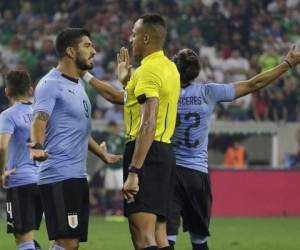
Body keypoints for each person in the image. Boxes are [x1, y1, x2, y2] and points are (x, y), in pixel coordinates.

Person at [166, 46, 300, 250]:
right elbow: (254, 83)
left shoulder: (164, 93)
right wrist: (287, 64)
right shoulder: (208, 92)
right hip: (197, 174)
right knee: (199, 240)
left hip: (170, 172)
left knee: (166, 238)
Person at [82, 13, 180, 250]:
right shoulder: (168, 68)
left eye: (134, 34)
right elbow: (125, 99)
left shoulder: (148, 72)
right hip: (163, 152)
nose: (131, 38)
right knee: (159, 234)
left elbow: (148, 122)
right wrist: (126, 81)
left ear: (146, 38)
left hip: (146, 153)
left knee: (142, 234)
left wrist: (135, 171)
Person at [29, 28, 122, 250]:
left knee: (69, 242)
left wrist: (102, 154)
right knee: (68, 242)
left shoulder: (78, 85)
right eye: (88, 46)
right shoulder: (50, 84)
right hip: (58, 174)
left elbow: (78, 131)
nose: (94, 51)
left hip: (76, 174)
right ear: (71, 51)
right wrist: (38, 146)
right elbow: (38, 121)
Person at [0, 70, 42, 250]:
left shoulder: (8, 115)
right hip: (42, 180)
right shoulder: (41, 115)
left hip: (20, 181)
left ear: (7, 91)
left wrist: (1, 172)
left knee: (22, 238)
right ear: (31, 90)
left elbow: (2, 146)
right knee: (31, 237)